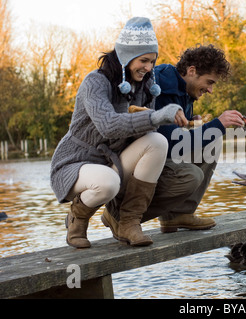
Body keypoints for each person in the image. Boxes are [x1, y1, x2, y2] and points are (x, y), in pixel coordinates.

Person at [50, 17, 187, 249]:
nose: (148, 68)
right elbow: (108, 125)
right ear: (125, 56)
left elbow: (148, 128)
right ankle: (78, 217)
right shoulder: (95, 82)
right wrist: (156, 116)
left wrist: (162, 117)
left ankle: (129, 222)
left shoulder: (144, 86)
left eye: (152, 61)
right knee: (108, 182)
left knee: (157, 141)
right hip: (74, 164)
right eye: (143, 60)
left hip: (111, 162)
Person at [102, 44, 246, 234]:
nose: (210, 90)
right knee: (192, 175)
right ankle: (119, 214)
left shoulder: (183, 91)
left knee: (213, 140)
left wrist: (191, 124)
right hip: (131, 168)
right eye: (209, 82)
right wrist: (218, 124)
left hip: (158, 158)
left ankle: (178, 214)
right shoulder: (159, 86)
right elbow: (169, 145)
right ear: (192, 71)